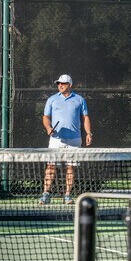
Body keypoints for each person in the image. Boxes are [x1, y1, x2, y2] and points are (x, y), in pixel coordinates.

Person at [39, 74, 93, 205]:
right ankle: (46, 194)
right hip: (56, 140)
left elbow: (85, 117)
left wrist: (89, 133)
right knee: (51, 166)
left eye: (63, 83)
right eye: (58, 83)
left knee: (71, 168)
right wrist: (48, 128)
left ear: (70, 85)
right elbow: (46, 117)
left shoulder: (79, 100)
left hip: (74, 140)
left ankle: (67, 196)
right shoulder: (52, 100)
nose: (60, 85)